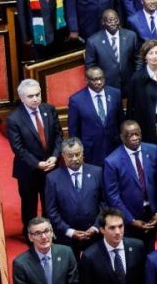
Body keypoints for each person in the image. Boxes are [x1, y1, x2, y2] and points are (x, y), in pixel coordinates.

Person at [8, 79, 63, 230]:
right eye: (30, 96)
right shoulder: (14, 119)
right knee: (29, 205)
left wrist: (55, 156)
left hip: (51, 167)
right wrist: (37, 164)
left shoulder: (49, 109)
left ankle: (49, 231)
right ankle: (30, 234)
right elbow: (18, 148)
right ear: (22, 98)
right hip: (28, 170)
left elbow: (58, 136)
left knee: (50, 202)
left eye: (37, 94)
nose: (35, 99)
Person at [104, 121, 157, 250]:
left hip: (152, 214)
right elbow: (113, 196)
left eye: (137, 134)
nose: (135, 138)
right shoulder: (112, 161)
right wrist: (131, 220)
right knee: (135, 252)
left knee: (151, 249)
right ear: (122, 137)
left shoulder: (153, 150)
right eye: (130, 135)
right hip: (129, 217)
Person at [44, 138, 103, 258]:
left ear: (82, 153)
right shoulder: (52, 178)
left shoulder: (97, 172)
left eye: (77, 154)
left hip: (94, 234)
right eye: (70, 155)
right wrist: (69, 231)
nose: (75, 159)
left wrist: (96, 227)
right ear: (63, 156)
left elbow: (104, 203)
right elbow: (51, 211)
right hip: (66, 238)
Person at [67, 66, 122, 167]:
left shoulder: (115, 94)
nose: (99, 82)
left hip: (114, 148)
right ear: (87, 80)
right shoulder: (76, 100)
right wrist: (78, 154)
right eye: (95, 80)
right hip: (91, 152)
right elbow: (74, 131)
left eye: (101, 78)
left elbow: (120, 120)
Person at [85, 10, 140, 92]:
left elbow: (138, 59)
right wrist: (98, 82)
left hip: (129, 83)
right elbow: (90, 66)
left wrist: (137, 77)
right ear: (103, 22)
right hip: (107, 85)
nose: (113, 23)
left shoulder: (131, 36)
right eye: (110, 21)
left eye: (116, 20)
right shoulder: (93, 41)